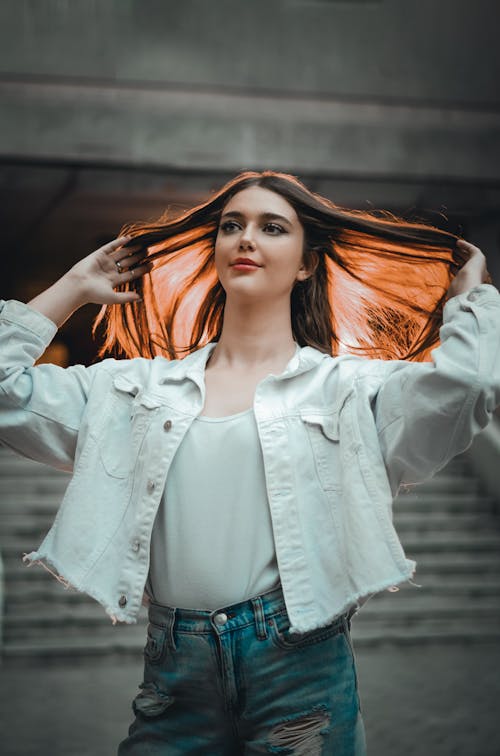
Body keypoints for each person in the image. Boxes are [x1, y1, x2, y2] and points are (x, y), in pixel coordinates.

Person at [1, 170, 499, 755]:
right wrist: (74, 286)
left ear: (307, 262)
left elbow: (467, 384)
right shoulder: (136, 390)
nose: (245, 238)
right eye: (231, 225)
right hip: (173, 675)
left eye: (272, 227)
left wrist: (472, 301)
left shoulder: (350, 390)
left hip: (300, 670)